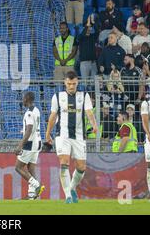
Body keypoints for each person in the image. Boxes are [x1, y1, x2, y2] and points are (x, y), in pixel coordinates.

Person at [45, 71, 99, 204]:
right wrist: (47, 133)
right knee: (64, 162)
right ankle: (68, 196)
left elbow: (89, 112)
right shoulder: (57, 97)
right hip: (62, 135)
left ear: (77, 82)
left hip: (79, 136)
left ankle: (72, 187)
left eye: (74, 84)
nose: (71, 86)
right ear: (65, 82)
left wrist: (94, 125)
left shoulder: (84, 96)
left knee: (81, 168)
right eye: (69, 84)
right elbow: (52, 117)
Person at [14, 92, 45, 200]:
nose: (22, 100)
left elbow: (29, 129)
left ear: (27, 99)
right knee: (30, 168)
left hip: (30, 143)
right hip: (38, 142)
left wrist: (20, 145)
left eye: (23, 98)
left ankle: (37, 186)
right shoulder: (36, 110)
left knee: (18, 167)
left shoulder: (29, 113)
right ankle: (32, 195)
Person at [78, 14, 98, 81]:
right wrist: (88, 24)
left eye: (91, 27)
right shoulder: (81, 37)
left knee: (94, 84)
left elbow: (97, 31)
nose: (90, 28)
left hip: (93, 63)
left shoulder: (93, 37)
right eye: (88, 27)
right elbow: (83, 34)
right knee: (85, 84)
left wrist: (93, 23)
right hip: (84, 63)